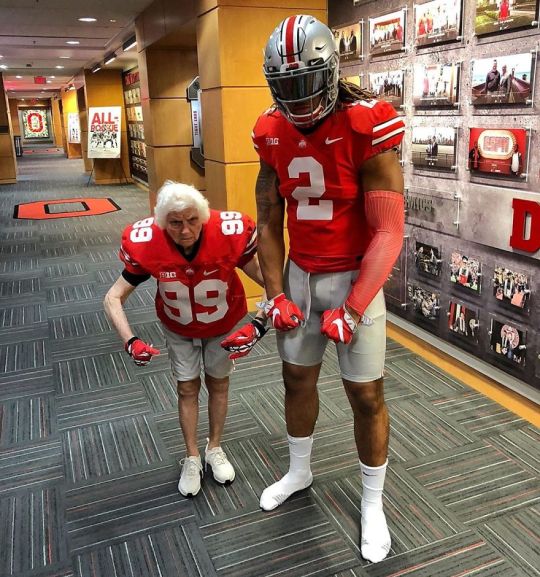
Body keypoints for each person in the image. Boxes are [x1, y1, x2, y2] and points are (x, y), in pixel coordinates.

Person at [253, 14, 405, 564]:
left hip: (353, 275)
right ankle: (299, 470)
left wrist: (357, 304)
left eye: (304, 84)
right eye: (284, 87)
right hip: (301, 271)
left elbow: (389, 229)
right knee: (296, 379)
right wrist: (275, 294)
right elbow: (268, 220)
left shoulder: (368, 124)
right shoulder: (271, 131)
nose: (295, 100)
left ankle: (372, 503)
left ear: (330, 70)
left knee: (365, 394)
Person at [103, 181, 267, 498]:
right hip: (178, 325)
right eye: (176, 223)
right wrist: (130, 340)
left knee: (219, 383)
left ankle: (214, 447)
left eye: (192, 220)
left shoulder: (228, 234)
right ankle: (192, 455)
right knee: (186, 387)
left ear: (203, 217)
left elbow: (275, 284)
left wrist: (259, 325)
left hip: (222, 323)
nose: (186, 230)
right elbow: (112, 298)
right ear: (163, 222)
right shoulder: (147, 242)